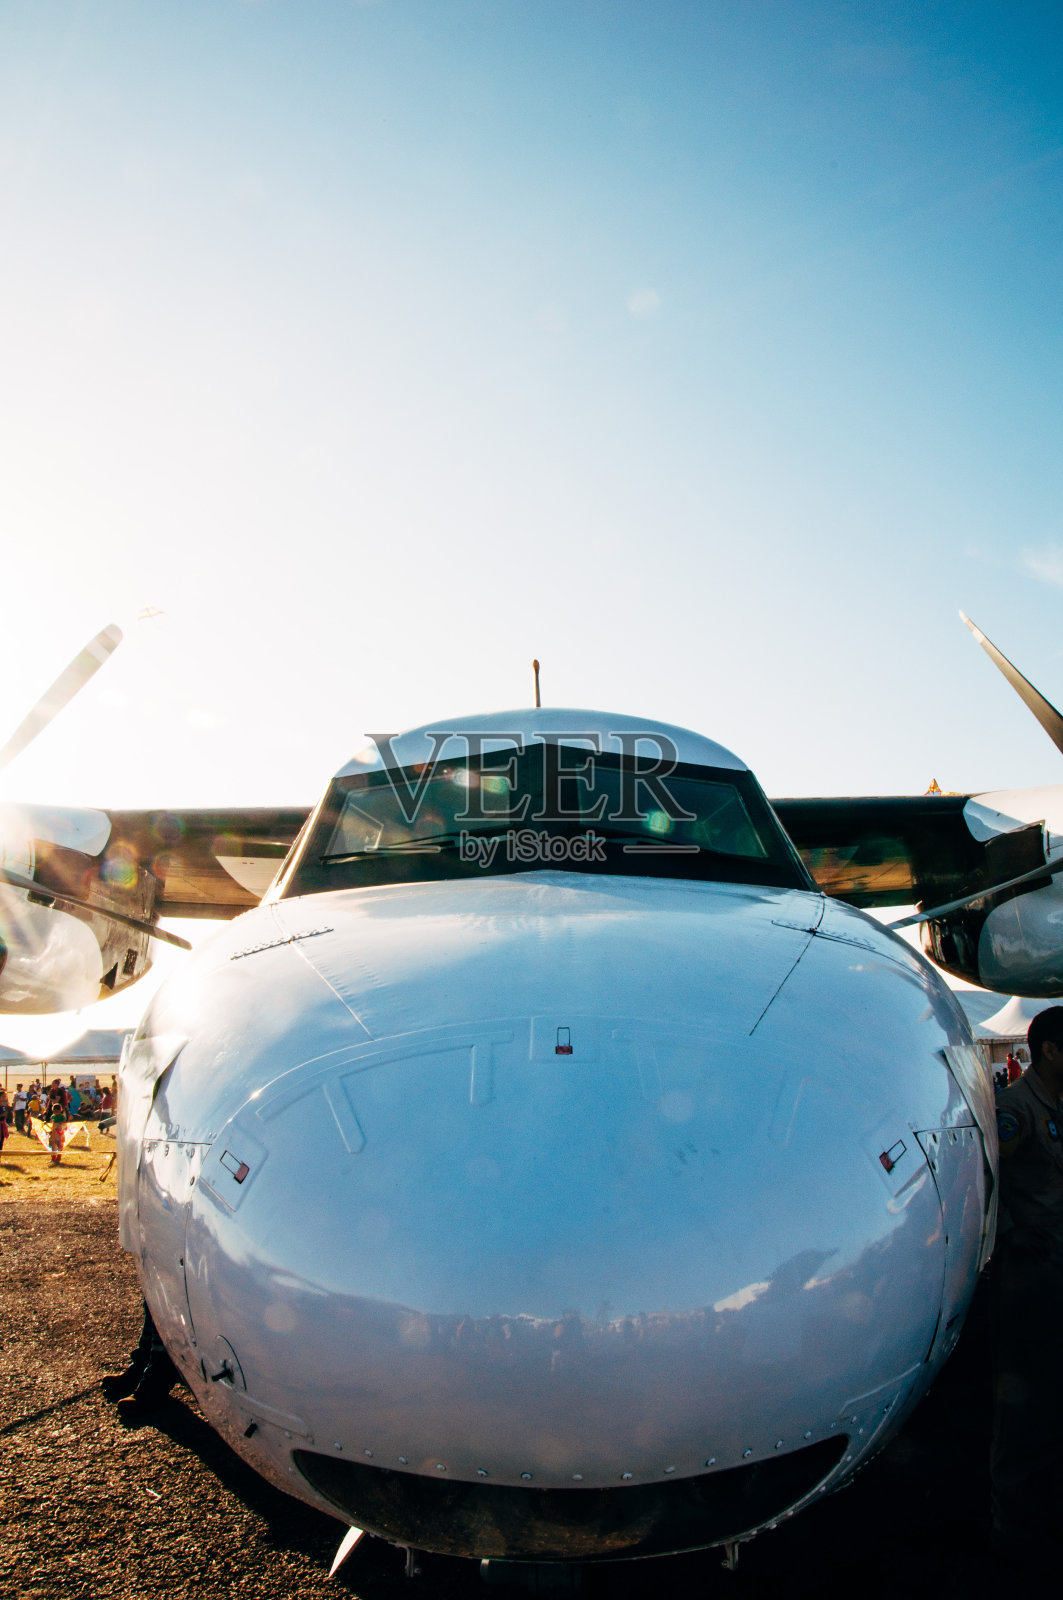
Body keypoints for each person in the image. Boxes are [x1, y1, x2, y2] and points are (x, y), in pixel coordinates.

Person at [991, 1005, 1063, 1569]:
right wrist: (1012, 1233)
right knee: (1025, 1397)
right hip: (1033, 1278)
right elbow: (988, 1179)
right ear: (1050, 1051)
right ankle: (1010, 1519)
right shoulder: (1015, 1110)